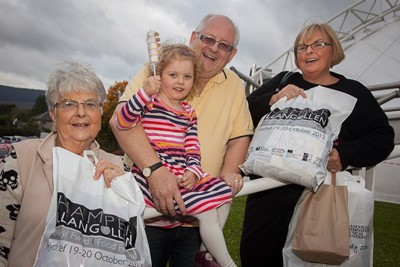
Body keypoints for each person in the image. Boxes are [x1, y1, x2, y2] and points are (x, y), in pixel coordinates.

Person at [240, 23, 395, 267]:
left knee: (311, 257)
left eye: (318, 44)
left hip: (319, 193)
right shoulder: (284, 80)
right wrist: (274, 97)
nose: (309, 51)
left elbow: (383, 137)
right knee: (257, 255)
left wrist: (344, 155)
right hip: (267, 191)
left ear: (333, 51)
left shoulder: (353, 92)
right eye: (302, 46)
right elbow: (243, 111)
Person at [110, 14, 253, 267]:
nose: (214, 48)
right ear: (193, 37)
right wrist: (154, 171)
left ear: (232, 55)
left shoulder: (233, 86)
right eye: (208, 38)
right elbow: (120, 121)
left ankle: (209, 254)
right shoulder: (157, 69)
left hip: (194, 212)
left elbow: (239, 135)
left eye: (224, 45)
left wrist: (229, 172)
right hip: (149, 210)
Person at [0, 61, 126, 267]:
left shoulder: (116, 167)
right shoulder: (22, 158)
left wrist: (122, 191)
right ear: (52, 113)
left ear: (100, 112)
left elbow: (127, 246)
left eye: (91, 104)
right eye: (69, 104)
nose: (81, 112)